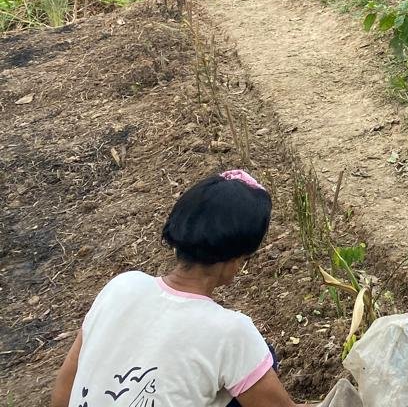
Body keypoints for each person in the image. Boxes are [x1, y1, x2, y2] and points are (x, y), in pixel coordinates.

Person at [51, 169, 314, 407]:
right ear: (237, 260)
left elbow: (66, 385)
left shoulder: (121, 286)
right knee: (260, 358)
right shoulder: (232, 333)